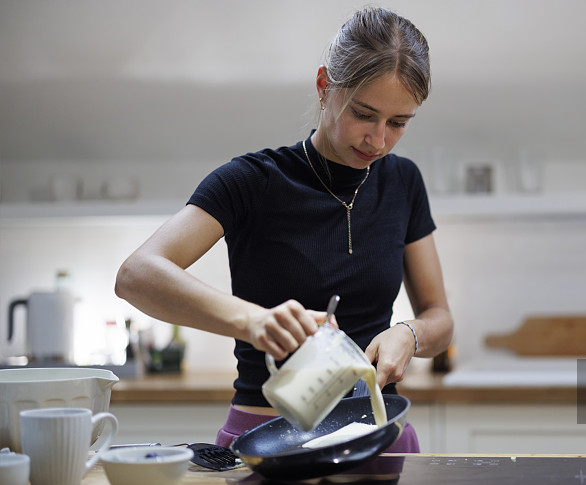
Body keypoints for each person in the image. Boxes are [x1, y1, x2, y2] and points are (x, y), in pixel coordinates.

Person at [114, 6, 453, 452]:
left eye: (398, 123)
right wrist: (253, 321)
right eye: (363, 114)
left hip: (376, 440)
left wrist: (410, 334)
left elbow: (440, 319)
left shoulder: (403, 182)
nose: (378, 140)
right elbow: (135, 275)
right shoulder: (253, 181)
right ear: (324, 86)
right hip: (269, 444)